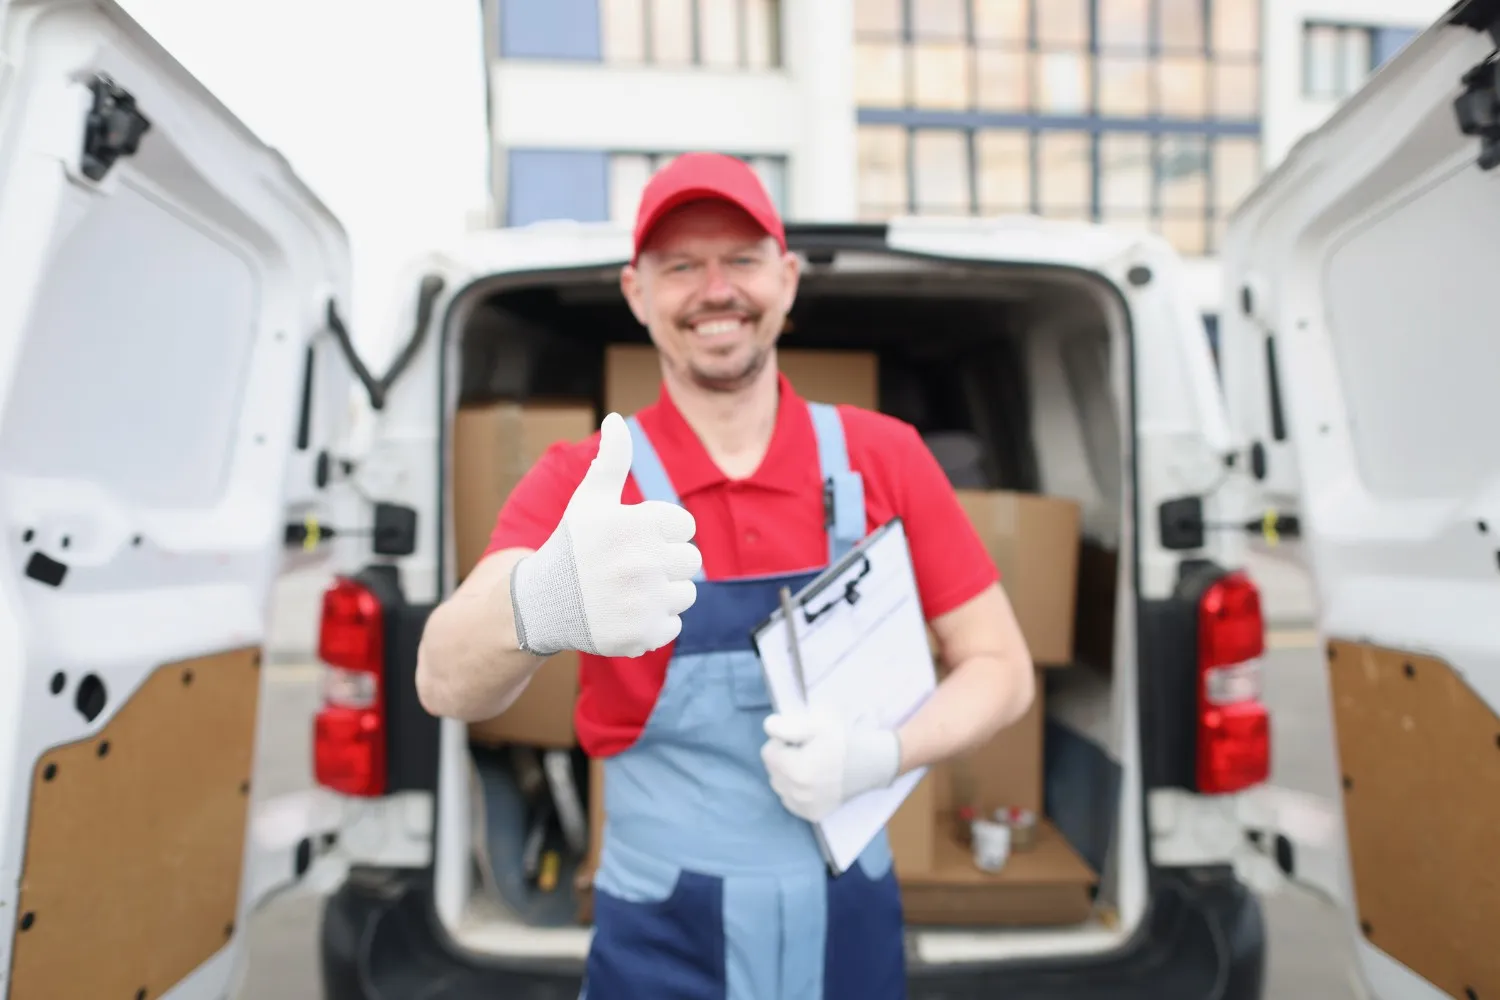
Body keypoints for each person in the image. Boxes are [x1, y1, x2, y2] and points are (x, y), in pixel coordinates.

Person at [416, 152, 1036, 1000]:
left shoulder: (881, 456)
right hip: (660, 929)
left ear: (785, 278)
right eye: (680, 266)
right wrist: (542, 600)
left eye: (741, 259)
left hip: (848, 909)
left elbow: (1003, 670)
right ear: (636, 291)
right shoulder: (589, 478)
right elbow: (444, 680)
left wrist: (884, 754)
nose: (716, 290)